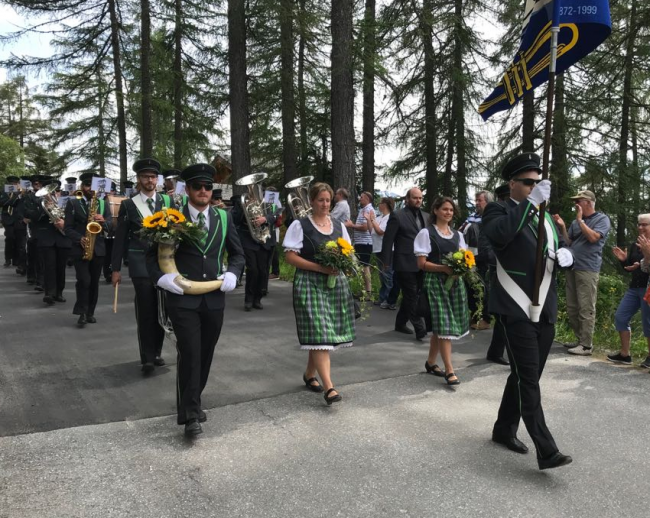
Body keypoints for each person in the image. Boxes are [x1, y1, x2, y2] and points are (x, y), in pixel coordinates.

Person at [482, 152, 574, 470]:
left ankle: (502, 428)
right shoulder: (499, 210)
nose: (535, 186)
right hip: (515, 304)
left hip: (544, 306)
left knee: (525, 375)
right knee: (529, 380)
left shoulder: (545, 216)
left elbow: (558, 245)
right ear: (513, 184)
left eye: (537, 182)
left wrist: (566, 255)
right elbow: (501, 235)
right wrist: (531, 204)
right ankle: (546, 449)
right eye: (528, 182)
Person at [146, 163, 245, 437]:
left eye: (207, 187)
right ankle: (190, 415)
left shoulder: (224, 219)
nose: (203, 191)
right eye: (198, 187)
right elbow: (151, 257)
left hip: (214, 297)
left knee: (206, 352)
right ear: (187, 189)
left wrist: (234, 274)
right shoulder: (170, 218)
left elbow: (237, 254)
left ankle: (194, 399)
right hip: (183, 297)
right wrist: (162, 279)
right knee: (189, 352)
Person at [283, 182, 355, 405]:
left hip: (334, 283)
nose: (325, 204)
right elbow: (290, 257)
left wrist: (346, 266)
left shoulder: (338, 225)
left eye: (328, 200)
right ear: (311, 201)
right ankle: (330, 387)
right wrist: (319, 267)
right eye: (320, 200)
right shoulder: (300, 225)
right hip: (309, 282)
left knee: (323, 333)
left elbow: (348, 252)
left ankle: (309, 374)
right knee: (319, 330)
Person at [112, 158, 174, 374]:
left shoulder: (168, 202)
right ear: (138, 179)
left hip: (165, 263)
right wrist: (116, 268)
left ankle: (157, 352)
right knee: (146, 310)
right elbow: (120, 238)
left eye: (153, 177)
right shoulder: (129, 205)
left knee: (162, 309)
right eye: (146, 176)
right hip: (140, 263)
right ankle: (146, 357)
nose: (150, 180)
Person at [415, 197, 469, 385]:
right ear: (436, 211)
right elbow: (421, 264)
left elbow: (465, 258)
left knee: (441, 325)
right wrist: (443, 268)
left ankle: (431, 362)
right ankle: (450, 370)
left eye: (451, 210)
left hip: (454, 282)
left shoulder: (457, 235)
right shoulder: (426, 233)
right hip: (435, 283)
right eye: (445, 209)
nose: (448, 213)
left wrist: (462, 267)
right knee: (445, 325)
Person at [553, 190, 611, 356]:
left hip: (588, 268)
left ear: (588, 202)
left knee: (586, 306)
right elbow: (569, 241)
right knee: (572, 307)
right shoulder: (575, 222)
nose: (575, 204)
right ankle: (579, 340)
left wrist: (580, 220)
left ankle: (586, 345)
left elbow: (594, 238)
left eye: (578, 201)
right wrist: (563, 227)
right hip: (572, 267)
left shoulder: (602, 219)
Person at [64, 173, 112, 327]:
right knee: (84, 280)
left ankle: (91, 312)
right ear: (82, 187)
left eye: (94, 186)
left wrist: (104, 221)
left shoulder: (104, 204)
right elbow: (67, 228)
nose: (91, 189)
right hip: (80, 247)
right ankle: (82, 312)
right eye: (87, 186)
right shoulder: (73, 203)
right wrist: (80, 238)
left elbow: (111, 225)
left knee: (94, 283)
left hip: (98, 248)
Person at [380, 187, 428, 340]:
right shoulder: (398, 215)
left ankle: (400, 323)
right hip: (404, 262)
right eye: (415, 198)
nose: (418, 200)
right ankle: (420, 328)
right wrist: (385, 261)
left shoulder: (426, 217)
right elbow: (388, 240)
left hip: (422, 262)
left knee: (413, 294)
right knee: (411, 294)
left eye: (420, 198)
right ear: (407, 199)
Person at [607, 214, 650, 368]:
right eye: (639, 224)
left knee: (648, 323)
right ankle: (625, 355)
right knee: (621, 316)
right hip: (634, 288)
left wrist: (647, 253)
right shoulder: (635, 244)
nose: (640, 227)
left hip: (647, 288)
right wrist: (624, 260)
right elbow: (630, 268)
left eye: (644, 225)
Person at [24, 176, 72, 306]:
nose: (52, 194)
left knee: (61, 267)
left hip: (63, 237)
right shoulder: (38, 201)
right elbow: (30, 214)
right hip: (46, 237)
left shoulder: (67, 201)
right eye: (49, 191)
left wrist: (63, 218)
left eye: (55, 191)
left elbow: (74, 217)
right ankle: (49, 293)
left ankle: (59, 293)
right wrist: (45, 210)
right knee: (49, 266)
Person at [231, 186, 278, 311]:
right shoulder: (242, 202)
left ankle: (258, 298)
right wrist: (243, 208)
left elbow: (276, 215)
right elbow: (234, 219)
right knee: (253, 269)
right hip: (248, 239)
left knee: (263, 271)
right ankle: (249, 299)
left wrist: (265, 219)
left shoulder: (267, 202)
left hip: (264, 240)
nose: (254, 195)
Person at [459, 190, 493, 330]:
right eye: (476, 200)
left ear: (488, 202)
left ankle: (485, 318)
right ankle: (474, 316)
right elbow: (461, 231)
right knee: (471, 287)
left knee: (482, 288)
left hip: (484, 259)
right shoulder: (472, 217)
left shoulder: (491, 217)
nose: (477, 203)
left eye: (480, 200)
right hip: (470, 258)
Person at [367, 197, 399, 309]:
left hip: (387, 250)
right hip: (378, 249)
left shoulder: (389, 217)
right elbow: (372, 231)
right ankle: (383, 297)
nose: (378, 205)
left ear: (385, 205)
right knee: (382, 274)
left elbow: (380, 231)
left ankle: (389, 299)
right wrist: (369, 219)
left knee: (388, 274)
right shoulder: (380, 218)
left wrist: (372, 220)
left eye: (380, 203)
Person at [344, 191, 374, 295]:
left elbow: (366, 227)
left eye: (361, 197)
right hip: (360, 242)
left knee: (365, 267)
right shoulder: (363, 210)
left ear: (367, 199)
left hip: (365, 243)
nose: (359, 199)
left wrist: (351, 225)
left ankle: (368, 291)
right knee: (361, 266)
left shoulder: (369, 210)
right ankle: (364, 291)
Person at [0, 175, 27, 274]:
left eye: (15, 183)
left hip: (18, 219)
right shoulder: (4, 192)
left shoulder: (22, 192)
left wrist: (20, 194)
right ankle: (8, 258)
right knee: (10, 238)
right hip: (8, 218)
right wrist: (14, 196)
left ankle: (18, 260)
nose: (13, 185)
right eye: (11, 183)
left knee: (19, 240)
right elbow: (2, 202)